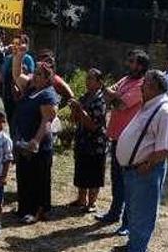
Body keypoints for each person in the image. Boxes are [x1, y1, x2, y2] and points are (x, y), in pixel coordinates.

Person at [113, 70, 168, 252]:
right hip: (134, 170)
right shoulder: (149, 105)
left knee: (143, 212)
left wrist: (147, 164)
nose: (141, 86)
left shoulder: (165, 111)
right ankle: (134, 244)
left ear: (154, 87)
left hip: (146, 171)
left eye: (145, 83)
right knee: (134, 209)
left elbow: (165, 148)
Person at [94, 49, 150, 234]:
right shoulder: (126, 79)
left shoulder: (142, 85)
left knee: (129, 183)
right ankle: (114, 213)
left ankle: (127, 222)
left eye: (132, 61)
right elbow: (109, 98)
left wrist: (112, 96)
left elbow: (120, 104)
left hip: (130, 141)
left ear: (141, 66)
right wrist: (112, 95)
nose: (129, 64)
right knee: (117, 179)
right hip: (116, 137)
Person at [11, 63, 60, 224]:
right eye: (35, 73)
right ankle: (24, 208)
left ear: (47, 79)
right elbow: (17, 74)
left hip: (38, 144)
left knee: (38, 179)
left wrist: (36, 141)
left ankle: (38, 211)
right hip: (24, 141)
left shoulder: (48, 94)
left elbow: (47, 121)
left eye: (39, 74)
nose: (35, 76)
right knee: (24, 176)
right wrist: (18, 55)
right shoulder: (32, 90)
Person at [69, 68, 108, 212]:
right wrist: (74, 109)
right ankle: (81, 199)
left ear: (99, 82)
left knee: (94, 172)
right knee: (81, 170)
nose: (87, 81)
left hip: (96, 143)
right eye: (87, 78)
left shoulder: (101, 100)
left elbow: (93, 125)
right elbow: (74, 120)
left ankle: (91, 203)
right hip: (82, 141)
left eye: (91, 79)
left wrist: (80, 110)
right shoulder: (84, 97)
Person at [0, 34, 35, 114]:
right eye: (14, 43)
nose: (15, 46)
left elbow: (29, 78)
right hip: (7, 94)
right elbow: (2, 77)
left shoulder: (27, 59)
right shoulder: (7, 58)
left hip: (21, 95)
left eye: (18, 44)